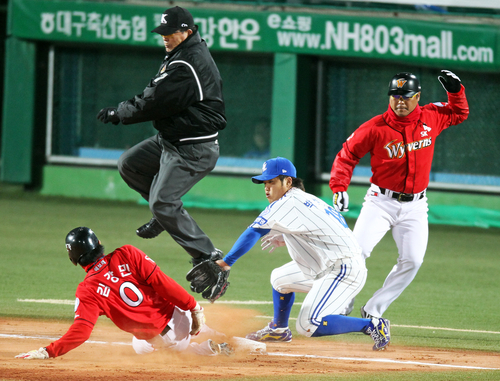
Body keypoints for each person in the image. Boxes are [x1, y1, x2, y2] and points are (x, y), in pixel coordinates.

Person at [329, 70, 469, 319]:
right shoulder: (375, 127)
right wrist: (339, 187)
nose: (400, 101)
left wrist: (456, 92)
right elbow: (347, 155)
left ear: (418, 96)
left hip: (416, 206)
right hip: (380, 202)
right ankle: (341, 303)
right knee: (355, 252)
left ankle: (373, 310)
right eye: (395, 95)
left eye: (406, 96)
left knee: (413, 261)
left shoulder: (431, 117)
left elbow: (459, 113)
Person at [214, 157, 391, 351]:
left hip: (344, 271)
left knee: (308, 324)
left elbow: (253, 232)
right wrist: (284, 236)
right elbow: (319, 229)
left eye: (272, 182)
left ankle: (372, 325)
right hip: (330, 265)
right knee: (279, 279)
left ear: (288, 182)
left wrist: (226, 262)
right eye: (265, 183)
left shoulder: (287, 202)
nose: (267, 188)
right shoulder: (303, 199)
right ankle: (278, 329)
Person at [96, 6, 226, 267]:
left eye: (170, 33)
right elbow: (154, 94)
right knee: (130, 164)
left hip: (193, 147)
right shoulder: (184, 51)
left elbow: (153, 103)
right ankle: (163, 216)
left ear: (187, 32)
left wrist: (119, 112)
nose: (165, 37)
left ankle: (207, 255)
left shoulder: (186, 64)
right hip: (172, 139)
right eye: (163, 33)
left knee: (163, 201)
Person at [15, 227, 233, 360]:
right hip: (181, 314)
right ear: (99, 244)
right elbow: (162, 283)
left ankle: (206, 349)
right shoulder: (127, 253)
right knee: (146, 341)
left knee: (146, 348)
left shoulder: (87, 290)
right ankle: (221, 336)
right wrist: (193, 307)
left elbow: (81, 331)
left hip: (165, 339)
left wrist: (48, 351)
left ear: (74, 260)